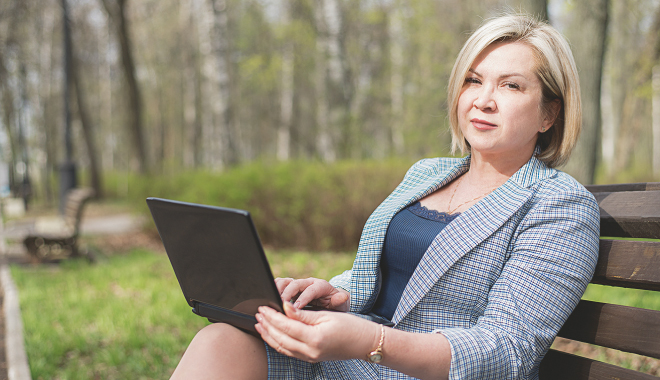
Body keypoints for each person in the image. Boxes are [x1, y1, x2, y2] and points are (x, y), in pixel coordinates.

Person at [170, 13, 600, 380]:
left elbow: (507, 349)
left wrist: (370, 341)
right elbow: (381, 279)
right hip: (353, 360)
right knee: (221, 340)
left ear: (549, 113)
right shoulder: (428, 172)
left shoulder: (558, 205)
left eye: (511, 86)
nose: (483, 100)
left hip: (411, 369)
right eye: (473, 80)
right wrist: (336, 296)